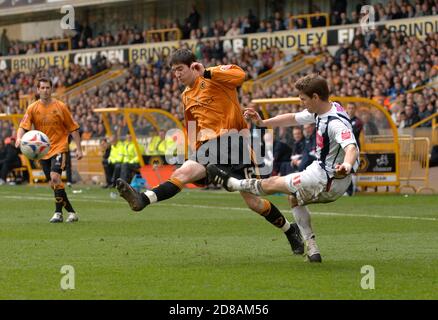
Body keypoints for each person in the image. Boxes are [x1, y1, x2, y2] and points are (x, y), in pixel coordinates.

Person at [116, 48, 304, 256]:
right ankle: (143, 199)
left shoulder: (214, 77)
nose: (177, 74)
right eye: (174, 71)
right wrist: (194, 151)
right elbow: (192, 125)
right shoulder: (186, 95)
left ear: (193, 66)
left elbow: (240, 75)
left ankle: (290, 229)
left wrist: (206, 71)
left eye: (180, 69)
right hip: (208, 147)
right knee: (181, 174)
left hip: (235, 143)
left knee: (254, 202)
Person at [207, 74, 360, 263]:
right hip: (323, 171)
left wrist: (346, 164)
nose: (301, 102)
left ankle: (232, 183)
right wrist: (263, 123)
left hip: (327, 179)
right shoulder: (326, 108)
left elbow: (350, 147)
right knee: (293, 198)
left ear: (315, 97)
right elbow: (293, 118)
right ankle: (312, 249)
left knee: (271, 184)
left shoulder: (335, 123)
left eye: (303, 99)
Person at [15, 77, 83, 223]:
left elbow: (73, 128)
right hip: (42, 151)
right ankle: (71, 212)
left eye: (48, 88)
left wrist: (79, 148)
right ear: (38, 90)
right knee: (54, 184)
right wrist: (18, 138)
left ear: (51, 89)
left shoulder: (61, 107)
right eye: (43, 88)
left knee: (55, 177)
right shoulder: (32, 108)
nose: (45, 90)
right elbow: (23, 126)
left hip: (59, 147)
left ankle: (58, 213)